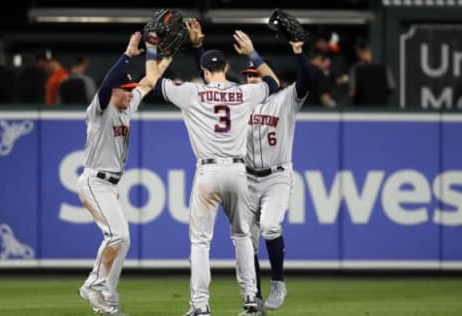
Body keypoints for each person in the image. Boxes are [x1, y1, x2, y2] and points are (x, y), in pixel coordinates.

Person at [144, 26, 279, 316]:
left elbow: (152, 80)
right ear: (226, 68)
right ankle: (251, 299)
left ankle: (201, 306)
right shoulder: (245, 93)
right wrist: (253, 53)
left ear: (204, 71)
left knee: (200, 242)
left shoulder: (192, 92)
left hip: (208, 172)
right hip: (238, 172)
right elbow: (275, 83)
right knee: (243, 237)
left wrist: (152, 46)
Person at [77, 31, 171, 316]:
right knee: (116, 236)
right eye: (126, 90)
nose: (131, 93)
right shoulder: (100, 109)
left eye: (131, 90)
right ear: (114, 92)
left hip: (111, 185)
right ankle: (93, 286)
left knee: (122, 239)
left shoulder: (128, 105)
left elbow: (150, 81)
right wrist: (128, 54)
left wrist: (155, 51)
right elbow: (106, 84)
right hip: (94, 181)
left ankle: (107, 298)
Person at [241, 40, 311, 311]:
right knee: (246, 241)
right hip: (246, 178)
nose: (249, 79)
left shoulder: (285, 99)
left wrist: (298, 53)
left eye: (254, 75)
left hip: (277, 175)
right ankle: (253, 299)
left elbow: (307, 80)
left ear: (266, 78)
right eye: (246, 76)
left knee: (270, 226)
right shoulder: (239, 103)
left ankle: (278, 282)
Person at [348, 38, 396, 106]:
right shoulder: (384, 67)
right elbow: (391, 87)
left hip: (363, 110)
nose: (357, 54)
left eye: (356, 51)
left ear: (359, 51)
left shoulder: (355, 69)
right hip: (381, 108)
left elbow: (352, 92)